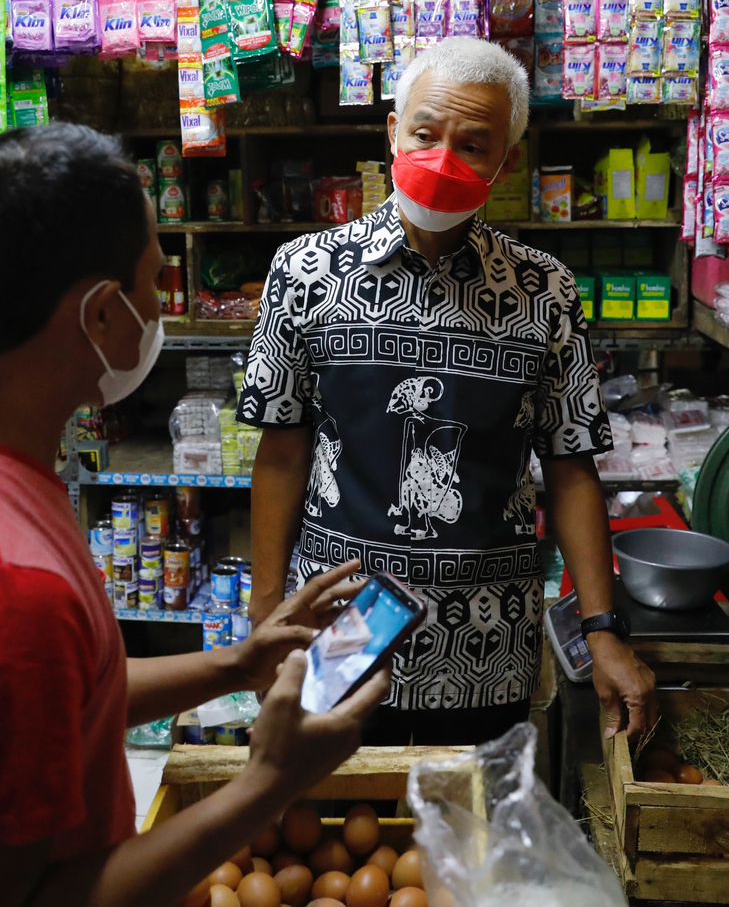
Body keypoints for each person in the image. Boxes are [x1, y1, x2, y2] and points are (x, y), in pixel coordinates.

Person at [0, 123, 387, 907]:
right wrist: (267, 785)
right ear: (103, 316)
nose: (160, 304)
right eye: (154, 282)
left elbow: (50, 701)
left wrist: (234, 665)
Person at [240, 37, 658, 747]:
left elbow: (570, 468)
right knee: (337, 826)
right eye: (425, 134)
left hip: (486, 645)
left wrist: (602, 631)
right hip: (339, 630)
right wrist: (265, 616)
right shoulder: (306, 272)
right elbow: (282, 452)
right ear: (392, 132)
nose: (442, 159)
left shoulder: (543, 291)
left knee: (475, 837)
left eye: (472, 144)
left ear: (507, 161)